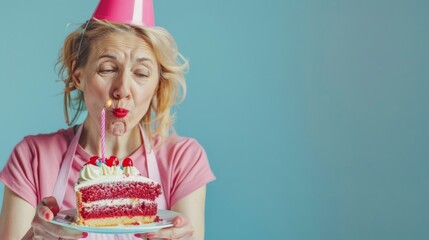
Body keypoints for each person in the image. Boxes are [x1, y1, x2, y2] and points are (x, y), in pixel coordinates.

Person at [0, 0, 215, 239]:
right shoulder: (32, 158)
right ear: (78, 74)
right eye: (108, 69)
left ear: (157, 85)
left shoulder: (183, 160)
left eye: (141, 73)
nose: (122, 89)